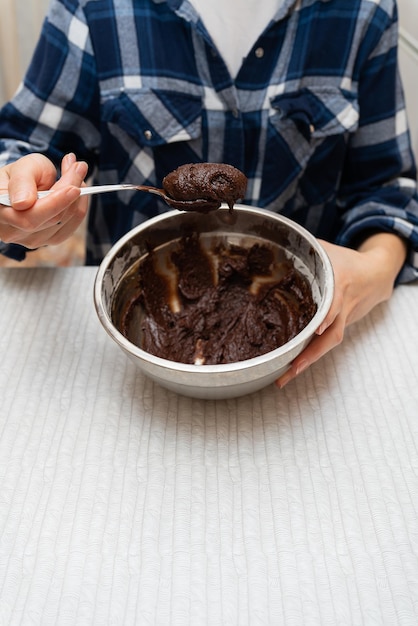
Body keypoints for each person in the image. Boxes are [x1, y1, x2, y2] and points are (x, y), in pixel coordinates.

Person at [0, 0, 417, 388]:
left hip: (307, 355)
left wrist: (376, 269)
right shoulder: (95, 8)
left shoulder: (364, 10)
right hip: (131, 337)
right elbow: (20, 146)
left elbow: (387, 188)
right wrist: (22, 198)